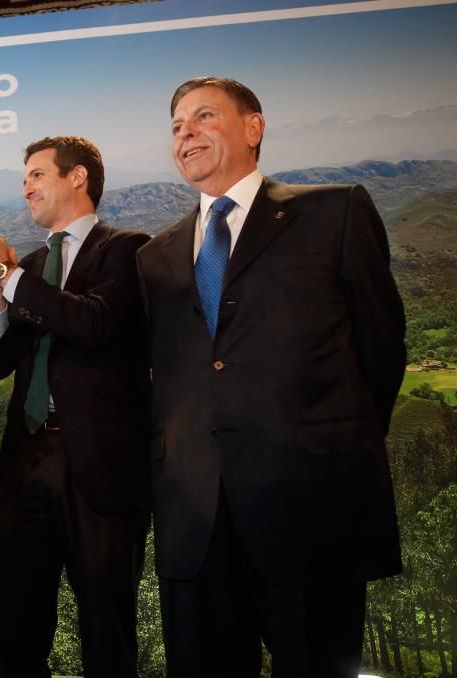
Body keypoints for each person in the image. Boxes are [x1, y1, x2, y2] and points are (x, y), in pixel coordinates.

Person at [135, 76, 407, 676]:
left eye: (204, 116)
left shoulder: (333, 211)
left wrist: (327, 443)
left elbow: (380, 349)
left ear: (254, 127)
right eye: (177, 126)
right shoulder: (154, 256)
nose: (186, 133)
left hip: (312, 512)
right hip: (194, 525)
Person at [0, 136, 151, 677]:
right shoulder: (30, 265)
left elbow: (93, 323)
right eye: (25, 178)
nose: (26, 187)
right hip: (26, 464)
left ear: (77, 177)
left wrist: (4, 276)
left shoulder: (130, 248)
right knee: (13, 628)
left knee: (106, 631)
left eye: (37, 174)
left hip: (101, 471)